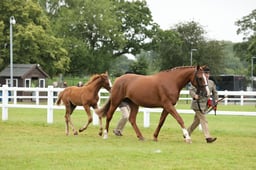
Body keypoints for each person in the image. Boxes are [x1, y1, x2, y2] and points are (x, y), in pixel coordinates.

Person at [187, 66, 218, 143]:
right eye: (205, 73)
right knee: (204, 120)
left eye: (208, 73)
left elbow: (215, 92)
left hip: (205, 106)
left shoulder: (211, 83)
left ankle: (186, 133)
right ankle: (208, 137)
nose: (207, 75)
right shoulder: (197, 81)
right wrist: (195, 96)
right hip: (197, 104)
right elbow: (191, 91)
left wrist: (216, 99)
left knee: (197, 122)